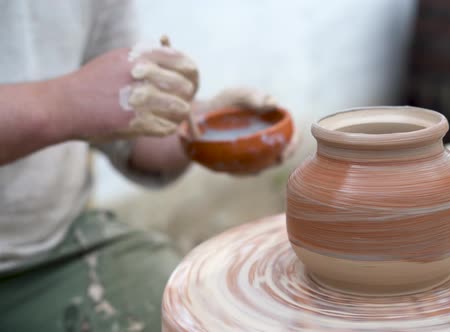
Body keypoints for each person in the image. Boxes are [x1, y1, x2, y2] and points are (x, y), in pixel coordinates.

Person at [0, 1, 292, 330]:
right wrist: (62, 104)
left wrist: (202, 125)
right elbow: (82, 102)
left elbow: (128, 132)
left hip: (54, 243)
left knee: (195, 309)